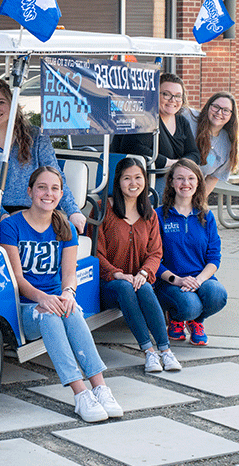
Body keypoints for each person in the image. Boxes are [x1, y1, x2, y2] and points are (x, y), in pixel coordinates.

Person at [0, 166, 123, 423]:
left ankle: (100, 388)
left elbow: (69, 274)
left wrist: (68, 293)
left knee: (71, 308)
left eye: (55, 188)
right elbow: (17, 280)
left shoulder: (65, 226)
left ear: (61, 193)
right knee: (50, 315)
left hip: (55, 301)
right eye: (42, 187)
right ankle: (80, 394)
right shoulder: (11, 225)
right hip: (25, 308)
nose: (48, 193)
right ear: (30, 191)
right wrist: (43, 299)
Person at [0, 79, 86, 233]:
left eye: (0, 102)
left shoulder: (36, 138)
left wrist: (73, 211)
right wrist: (3, 216)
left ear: (12, 104)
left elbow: (55, 175)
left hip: (32, 208)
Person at [97, 157, 181, 373]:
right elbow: (96, 254)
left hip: (137, 282)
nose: (133, 183)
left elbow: (155, 253)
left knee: (142, 285)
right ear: (118, 181)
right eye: (127, 178)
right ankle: (149, 352)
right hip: (109, 285)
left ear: (145, 180)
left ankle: (165, 351)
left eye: (138, 177)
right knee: (126, 286)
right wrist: (117, 274)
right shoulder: (103, 209)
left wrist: (144, 273)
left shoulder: (150, 214)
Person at [155, 158, 228, 346]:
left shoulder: (206, 216)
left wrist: (199, 280)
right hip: (170, 281)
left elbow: (214, 257)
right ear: (171, 182)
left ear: (198, 183)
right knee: (189, 305)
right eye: (179, 178)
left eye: (190, 178)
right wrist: (178, 280)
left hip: (200, 278)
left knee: (218, 294)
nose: (185, 183)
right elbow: (152, 259)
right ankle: (177, 319)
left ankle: (196, 322)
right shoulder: (158, 215)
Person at [114, 73, 199, 200]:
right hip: (144, 183)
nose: (172, 100)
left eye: (177, 96)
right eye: (166, 94)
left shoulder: (182, 121)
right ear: (154, 95)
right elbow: (132, 147)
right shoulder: (144, 117)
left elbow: (194, 154)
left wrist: (179, 165)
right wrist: (169, 163)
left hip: (172, 179)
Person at [183, 93, 238, 197]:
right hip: (166, 178)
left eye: (225, 110)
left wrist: (198, 202)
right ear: (208, 106)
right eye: (216, 107)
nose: (219, 112)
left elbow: (212, 178)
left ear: (231, 115)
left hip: (190, 192)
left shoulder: (228, 145)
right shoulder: (188, 117)